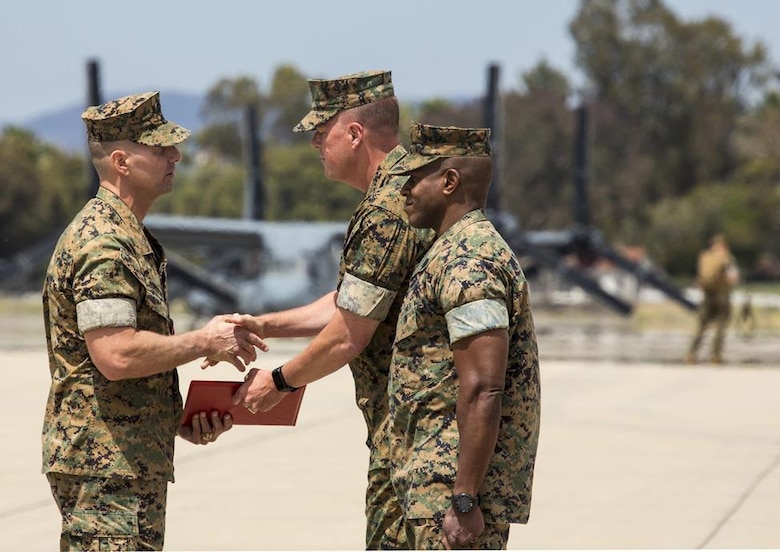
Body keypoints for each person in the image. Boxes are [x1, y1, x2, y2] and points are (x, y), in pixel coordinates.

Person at [42, 91, 266, 551]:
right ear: (121, 161)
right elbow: (116, 354)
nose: (175, 155)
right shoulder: (103, 243)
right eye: (160, 148)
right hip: (105, 469)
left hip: (127, 459)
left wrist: (171, 417)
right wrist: (206, 341)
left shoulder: (130, 236)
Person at [222, 71, 433, 549]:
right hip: (410, 430)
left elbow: (347, 335)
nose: (316, 141)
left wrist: (277, 382)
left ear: (355, 134)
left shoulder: (386, 210)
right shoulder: (404, 193)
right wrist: (264, 324)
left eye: (323, 130)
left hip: (416, 437)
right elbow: (349, 304)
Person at [386, 122, 541, 549]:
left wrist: (465, 497)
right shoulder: (450, 250)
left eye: (416, 179)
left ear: (450, 182)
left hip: (449, 490)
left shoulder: (470, 262)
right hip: (436, 482)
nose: (405, 191)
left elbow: (483, 387)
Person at [686, 234, 740, 364]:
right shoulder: (727, 259)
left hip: (707, 296)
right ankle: (716, 356)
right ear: (724, 246)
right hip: (722, 297)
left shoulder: (705, 257)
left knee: (701, 326)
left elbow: (700, 277)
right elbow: (733, 278)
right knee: (721, 327)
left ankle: (691, 354)